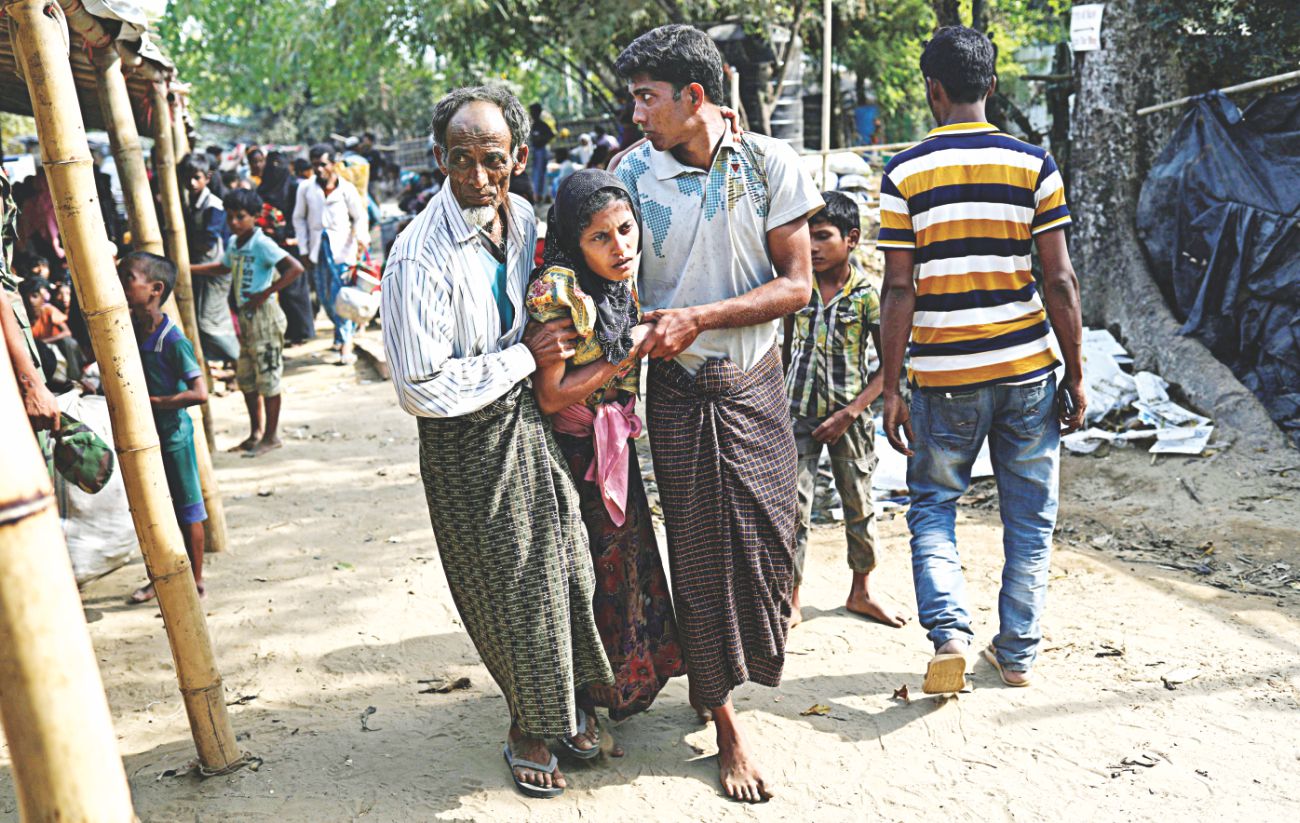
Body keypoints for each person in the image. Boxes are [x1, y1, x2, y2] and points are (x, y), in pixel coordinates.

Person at [382, 85, 613, 799]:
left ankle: (568, 697)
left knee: (568, 559)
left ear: (517, 157)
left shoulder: (518, 215)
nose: (477, 178)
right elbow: (418, 386)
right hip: (463, 443)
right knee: (514, 590)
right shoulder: (415, 256)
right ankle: (529, 726)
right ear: (438, 159)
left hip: (523, 420)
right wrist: (524, 356)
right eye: (460, 160)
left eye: (492, 160)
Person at [611, 24, 822, 803]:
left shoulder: (769, 164)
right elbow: (609, 277)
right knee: (698, 554)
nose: (636, 113)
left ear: (695, 97)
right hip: (676, 393)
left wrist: (697, 316)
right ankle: (725, 716)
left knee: (773, 542)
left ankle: (728, 664)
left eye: (647, 97)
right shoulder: (629, 174)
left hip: (756, 382)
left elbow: (798, 283)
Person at [876, 26, 1086, 694]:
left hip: (944, 376)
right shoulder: (1035, 166)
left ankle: (951, 635)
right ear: (991, 86)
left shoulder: (903, 174)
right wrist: (1075, 371)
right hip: (1027, 370)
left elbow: (898, 288)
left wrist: (890, 386)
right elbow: (1060, 282)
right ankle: (1017, 651)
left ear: (932, 90)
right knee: (1031, 516)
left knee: (934, 504)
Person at [527, 169, 685, 751]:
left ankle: (623, 685)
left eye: (626, 230)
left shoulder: (617, 285)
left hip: (611, 447)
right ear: (573, 239)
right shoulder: (559, 298)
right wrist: (626, 359)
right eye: (601, 237)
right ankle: (580, 702)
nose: (621, 248)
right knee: (588, 574)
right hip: (575, 458)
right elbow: (552, 395)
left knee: (629, 563)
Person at [782, 191, 908, 630]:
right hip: (796, 414)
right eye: (807, 238)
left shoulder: (868, 298)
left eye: (822, 237)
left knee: (859, 504)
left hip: (850, 419)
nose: (811, 247)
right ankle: (792, 599)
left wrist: (851, 412)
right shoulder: (797, 290)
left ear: (851, 239)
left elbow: (890, 367)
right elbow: (782, 351)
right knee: (793, 510)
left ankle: (862, 591)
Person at [120, 251, 209, 603]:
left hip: (172, 435)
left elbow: (199, 392)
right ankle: (159, 577)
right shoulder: (125, 328)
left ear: (155, 289)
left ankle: (197, 580)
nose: (121, 285)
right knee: (154, 508)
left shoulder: (172, 340)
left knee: (187, 508)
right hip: (143, 435)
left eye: (128, 278)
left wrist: (155, 402)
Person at [193, 189, 304, 457]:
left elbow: (295, 268)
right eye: (230, 217)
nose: (233, 222)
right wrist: (189, 268)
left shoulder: (261, 243)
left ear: (255, 217)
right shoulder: (234, 242)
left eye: (240, 217)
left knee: (268, 377)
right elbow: (223, 267)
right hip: (246, 318)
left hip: (265, 316)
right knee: (247, 378)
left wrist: (266, 292)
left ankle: (271, 436)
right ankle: (256, 433)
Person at [293, 143, 367, 365]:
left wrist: (361, 237)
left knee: (341, 296)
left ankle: (346, 345)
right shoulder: (306, 188)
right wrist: (304, 249)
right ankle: (341, 334)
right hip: (318, 251)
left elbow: (360, 217)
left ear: (333, 165)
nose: (319, 169)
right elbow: (298, 218)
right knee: (326, 298)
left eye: (323, 165)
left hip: (342, 251)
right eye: (315, 165)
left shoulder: (346, 189)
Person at [180, 153, 240, 365]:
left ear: (208, 177)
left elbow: (208, 242)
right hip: (202, 269)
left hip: (215, 269)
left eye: (197, 177)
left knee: (209, 321)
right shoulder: (193, 201)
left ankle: (237, 360)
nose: (192, 183)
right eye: (187, 177)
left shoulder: (213, 205)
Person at [259, 151, 315, 344]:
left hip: (291, 243)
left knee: (295, 289)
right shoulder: (263, 189)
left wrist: (291, 234)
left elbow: (299, 215)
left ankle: (301, 331)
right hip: (270, 245)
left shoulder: (294, 188)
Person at [528, 102, 556, 202]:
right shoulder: (534, 125)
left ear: (538, 112)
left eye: (533, 112)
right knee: (537, 172)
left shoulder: (542, 125)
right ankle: (539, 194)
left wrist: (542, 139)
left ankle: (543, 195)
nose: (531, 114)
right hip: (536, 150)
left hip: (542, 150)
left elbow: (552, 134)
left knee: (541, 172)